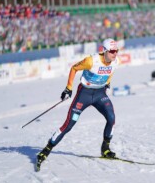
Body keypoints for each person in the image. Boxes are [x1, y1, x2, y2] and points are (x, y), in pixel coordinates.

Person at [36, 38, 120, 169]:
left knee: (111, 118)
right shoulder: (91, 61)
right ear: (104, 51)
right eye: (112, 51)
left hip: (100, 94)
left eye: (117, 51)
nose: (115, 54)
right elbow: (74, 68)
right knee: (69, 125)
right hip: (84, 95)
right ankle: (46, 150)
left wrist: (107, 83)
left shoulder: (116, 61)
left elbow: (110, 73)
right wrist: (68, 88)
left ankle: (105, 149)